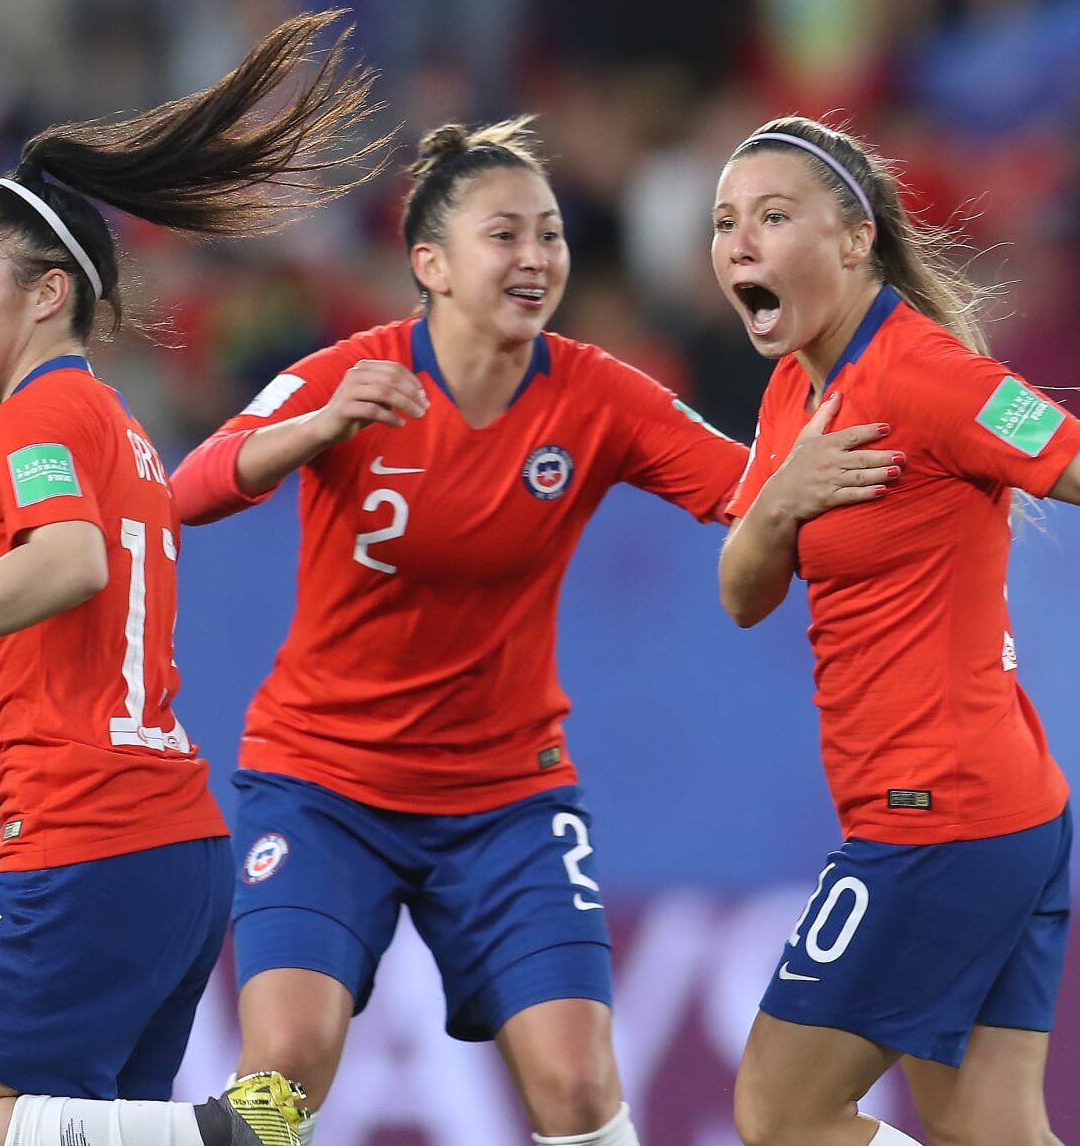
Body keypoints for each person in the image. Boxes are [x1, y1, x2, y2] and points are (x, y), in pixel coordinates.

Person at [0, 11, 385, 1146]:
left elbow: (71, 565)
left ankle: (227, 1132)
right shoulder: (119, 428)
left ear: (48, 293)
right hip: (170, 850)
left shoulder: (38, 414)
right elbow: (93, 663)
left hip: (91, 843)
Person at [169, 117, 752, 1146]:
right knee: (281, 1080)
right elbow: (187, 490)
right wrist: (313, 430)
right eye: (506, 236)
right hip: (323, 785)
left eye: (552, 235)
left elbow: (747, 491)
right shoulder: (348, 374)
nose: (536, 258)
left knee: (577, 1084)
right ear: (429, 264)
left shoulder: (597, 394)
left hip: (507, 798)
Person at [711, 117, 1080, 1146]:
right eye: (725, 221)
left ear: (855, 238)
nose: (739, 242)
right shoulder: (791, 392)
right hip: (998, 816)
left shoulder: (929, 378)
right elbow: (741, 592)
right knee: (985, 1130)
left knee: (780, 1111)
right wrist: (779, 503)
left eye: (774, 216)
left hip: (937, 816)